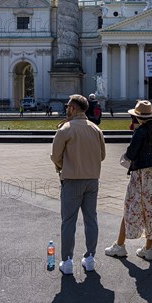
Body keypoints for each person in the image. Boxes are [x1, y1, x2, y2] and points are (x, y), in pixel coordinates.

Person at [105, 100, 152, 262]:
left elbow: (131, 153)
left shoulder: (141, 132)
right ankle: (148, 249)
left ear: (138, 118)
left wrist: (126, 157)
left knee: (130, 206)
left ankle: (120, 245)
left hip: (140, 175)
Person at [51, 94, 106, 274]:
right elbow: (102, 156)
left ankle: (67, 261)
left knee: (68, 221)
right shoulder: (95, 129)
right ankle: (90, 258)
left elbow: (55, 156)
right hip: (92, 180)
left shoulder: (65, 129)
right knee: (91, 219)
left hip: (72, 180)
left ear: (73, 108)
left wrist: (65, 166)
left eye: (68, 106)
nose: (66, 108)